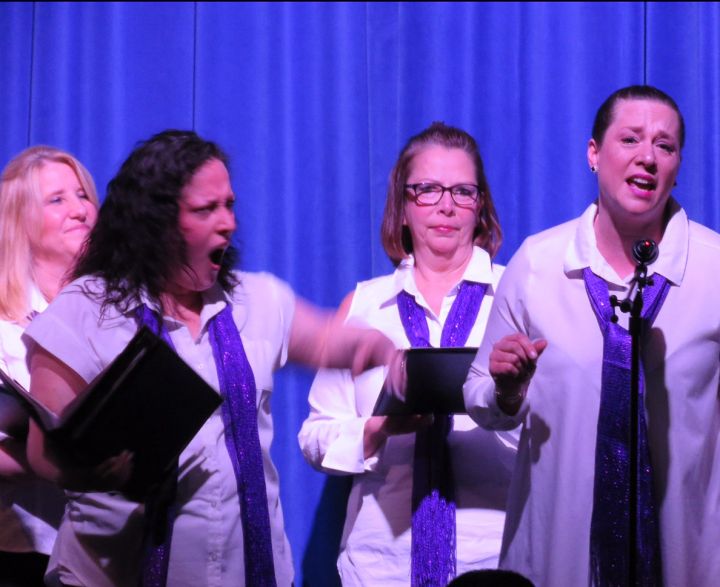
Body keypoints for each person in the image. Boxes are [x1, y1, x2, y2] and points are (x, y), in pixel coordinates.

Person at [22, 130, 398, 587]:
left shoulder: (256, 300)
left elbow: (324, 341)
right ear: (155, 222)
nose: (228, 223)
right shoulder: (86, 310)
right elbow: (44, 449)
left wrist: (380, 348)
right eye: (206, 209)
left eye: (229, 205)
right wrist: (88, 469)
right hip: (112, 574)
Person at [463, 85, 720, 587]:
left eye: (665, 146)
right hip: (556, 557)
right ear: (594, 154)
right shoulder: (537, 264)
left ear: (677, 167)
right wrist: (506, 391)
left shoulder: (713, 269)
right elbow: (477, 394)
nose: (648, 157)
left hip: (688, 560)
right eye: (631, 139)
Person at [298, 122, 517, 586]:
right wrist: (378, 430)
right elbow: (314, 438)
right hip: (381, 568)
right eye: (427, 189)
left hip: (493, 563)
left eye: (463, 191)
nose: (446, 205)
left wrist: (508, 397)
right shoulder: (363, 307)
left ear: (480, 206)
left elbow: (554, 436)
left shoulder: (516, 297)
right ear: (402, 206)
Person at [0, 146, 99, 586]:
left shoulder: (124, 312)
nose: (79, 210)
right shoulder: (3, 324)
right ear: (19, 219)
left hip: (112, 550)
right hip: (25, 553)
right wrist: (54, 458)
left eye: (83, 196)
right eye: (57, 199)